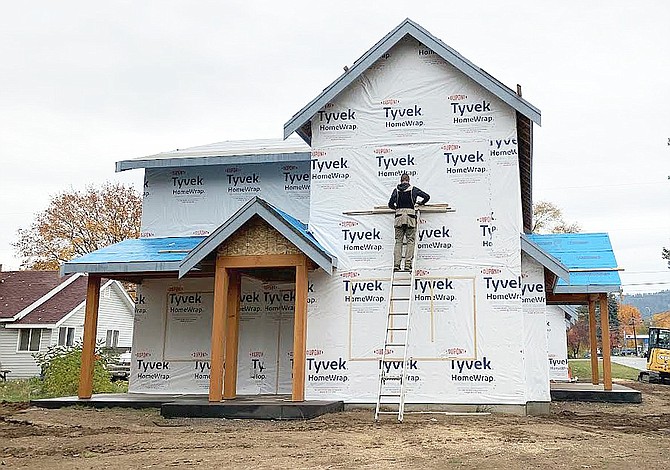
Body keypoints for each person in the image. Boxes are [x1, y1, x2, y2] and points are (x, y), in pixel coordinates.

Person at [387, 173, 430, 271]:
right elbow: (427, 196)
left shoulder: (396, 190)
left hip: (398, 217)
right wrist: (421, 203)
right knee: (410, 241)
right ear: (408, 180)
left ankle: (396, 265)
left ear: (400, 180)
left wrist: (396, 208)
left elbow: (390, 204)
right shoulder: (413, 189)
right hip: (410, 217)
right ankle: (407, 265)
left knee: (398, 242)